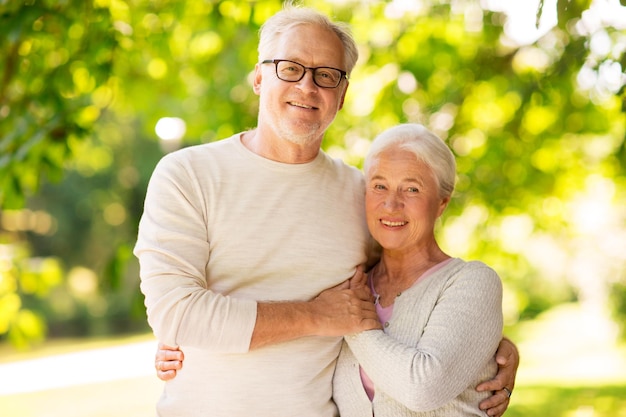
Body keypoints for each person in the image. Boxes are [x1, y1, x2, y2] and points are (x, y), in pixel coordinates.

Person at [135, 4, 517, 417]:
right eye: (290, 67)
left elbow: (410, 287)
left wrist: (492, 351)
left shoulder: (361, 195)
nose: (307, 86)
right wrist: (315, 316)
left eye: (326, 75)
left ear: (342, 94)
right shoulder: (188, 174)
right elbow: (175, 311)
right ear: (260, 77)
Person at [331, 123, 503, 416]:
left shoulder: (472, 282)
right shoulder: (350, 282)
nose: (391, 203)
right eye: (379, 185)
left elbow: (422, 389)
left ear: (441, 203)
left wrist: (353, 322)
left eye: (411, 188)